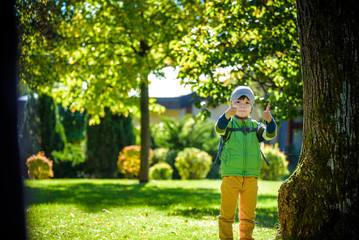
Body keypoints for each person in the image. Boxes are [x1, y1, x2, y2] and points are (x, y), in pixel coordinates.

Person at [214, 86, 277, 240]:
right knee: (227, 214)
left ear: (251, 107)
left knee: (248, 215)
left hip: (251, 177)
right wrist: (226, 114)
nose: (242, 105)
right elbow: (219, 129)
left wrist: (269, 120)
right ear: (232, 103)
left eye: (247, 102)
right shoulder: (228, 124)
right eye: (239, 101)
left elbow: (269, 135)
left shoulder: (256, 127)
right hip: (230, 176)